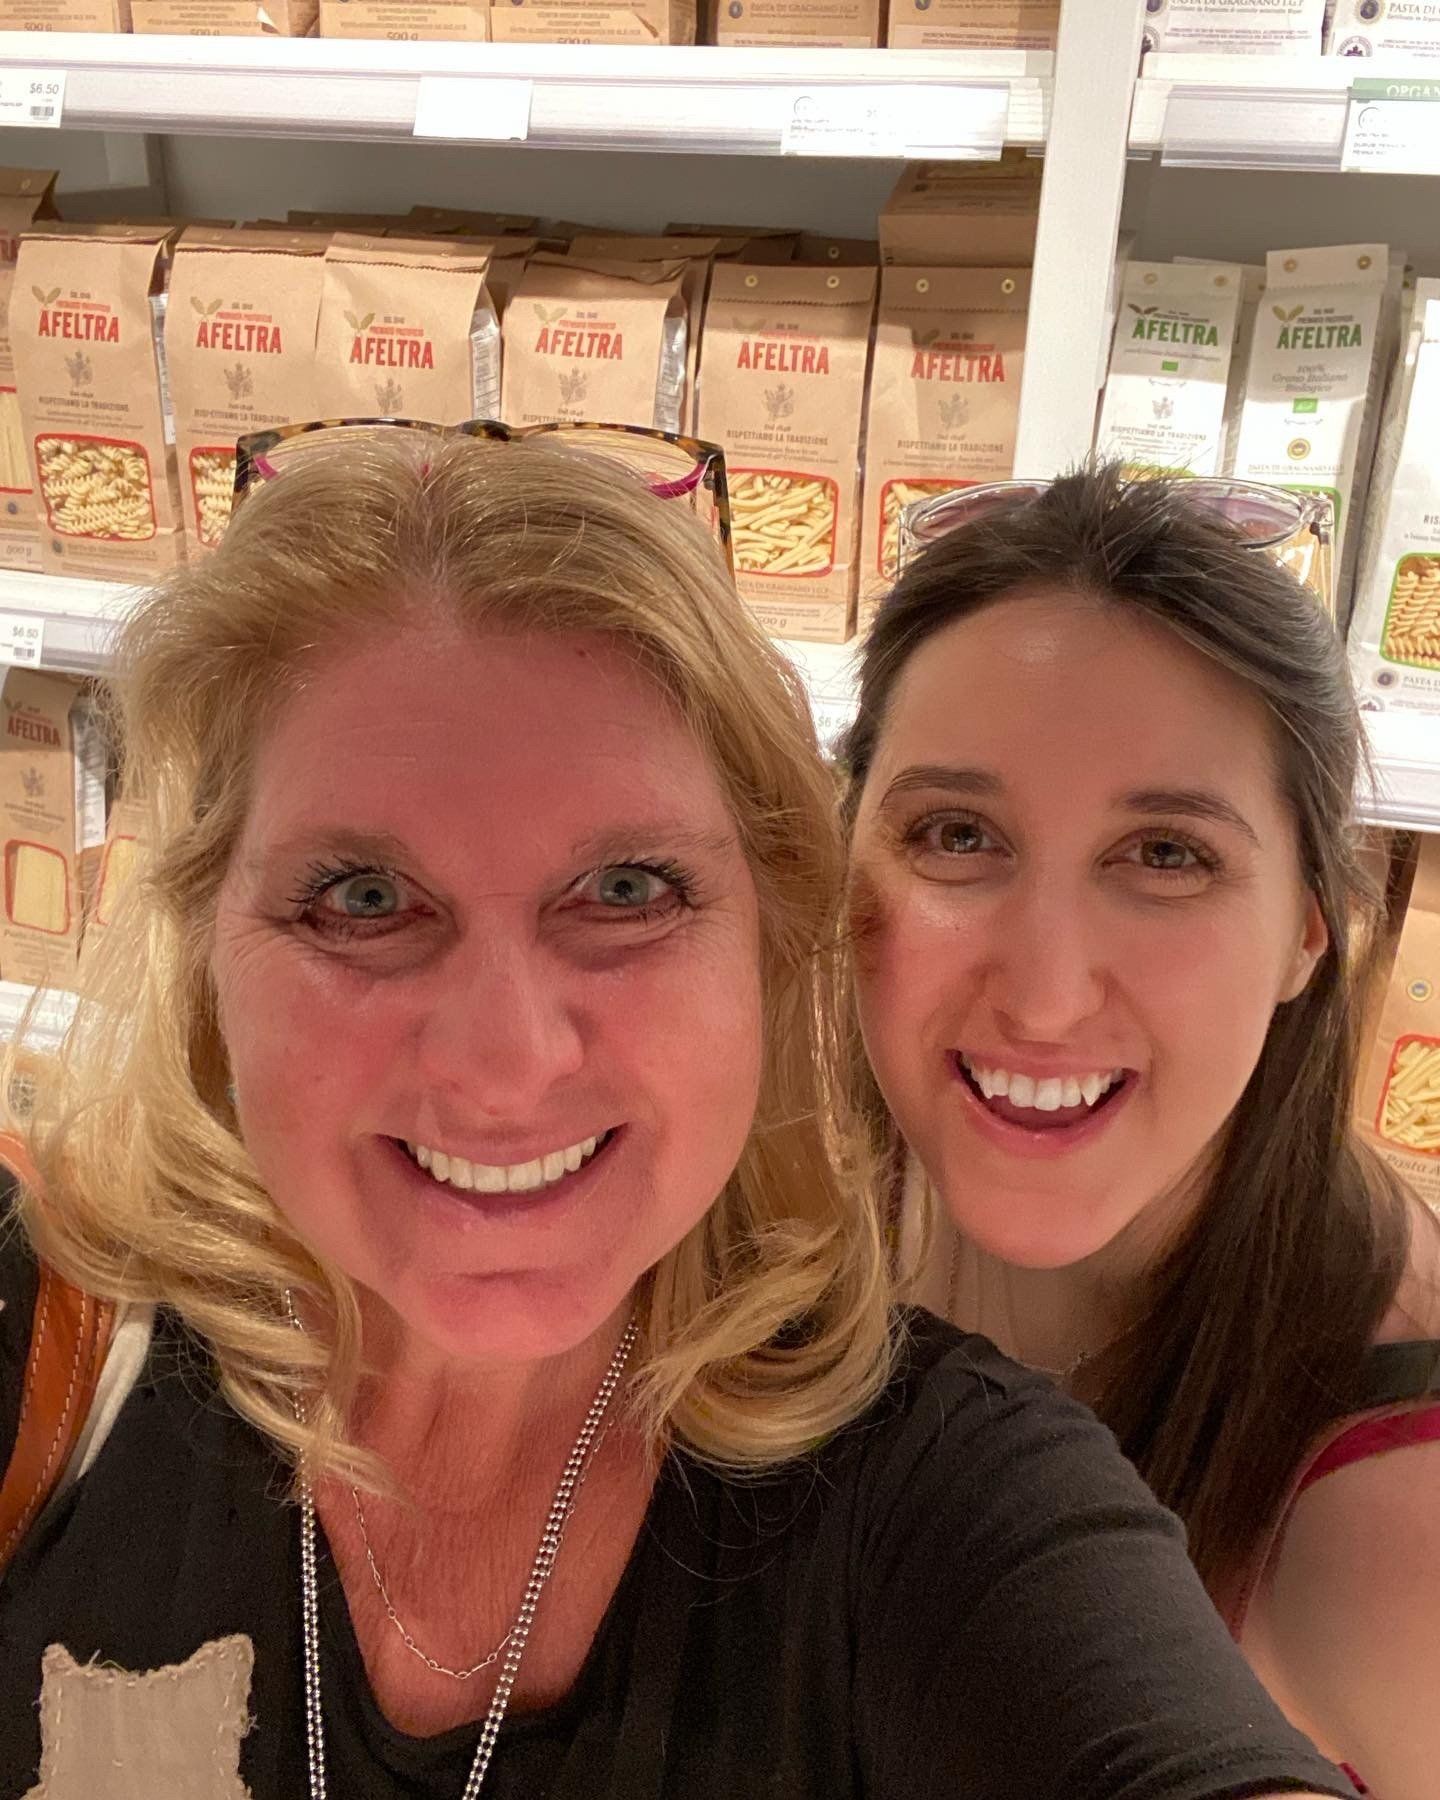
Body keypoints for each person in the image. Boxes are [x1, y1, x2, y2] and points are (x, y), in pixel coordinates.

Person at [0, 429, 1352, 1800]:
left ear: (770, 932)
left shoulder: (951, 1497)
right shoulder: (45, 1349)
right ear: (203, 945)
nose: (506, 1065)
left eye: (628, 892)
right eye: (362, 899)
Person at [842, 464, 1440, 1800]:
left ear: (1309, 925)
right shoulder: (772, 1221)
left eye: (1165, 855)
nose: (1046, 993)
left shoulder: (1400, 1519)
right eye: (956, 833)